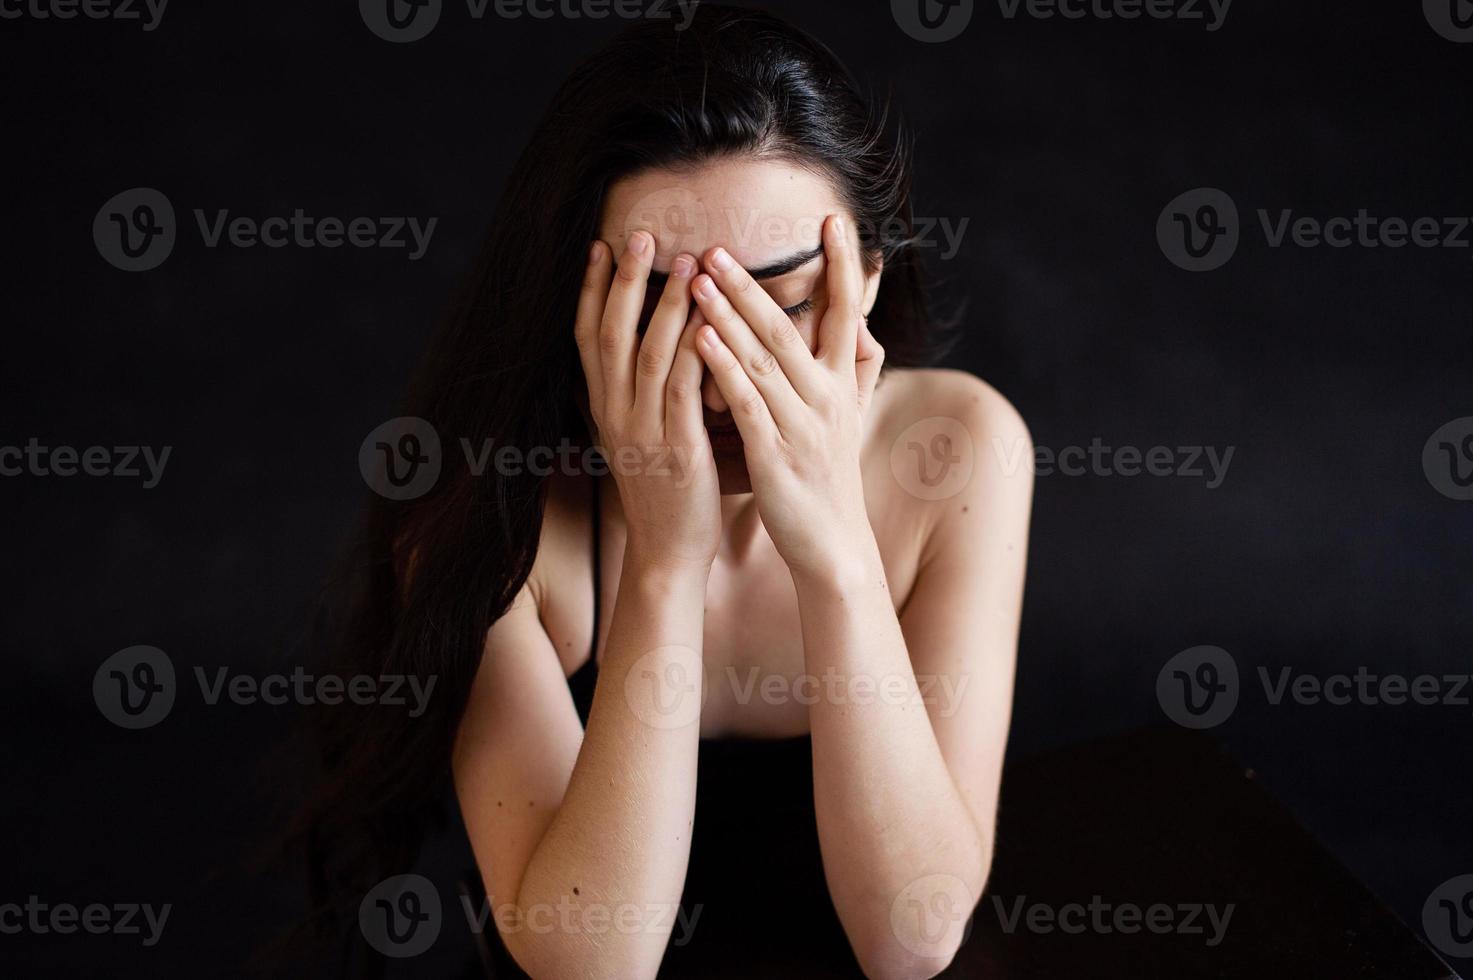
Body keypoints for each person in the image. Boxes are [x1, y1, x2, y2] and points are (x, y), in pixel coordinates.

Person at [302, 7, 1032, 978]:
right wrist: (663, 557)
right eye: (666, 309)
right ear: (577, 312)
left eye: (783, 308)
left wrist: (837, 551)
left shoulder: (956, 451)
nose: (728, 374)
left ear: (867, 278)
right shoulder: (486, 512)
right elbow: (589, 964)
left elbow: (912, 936)